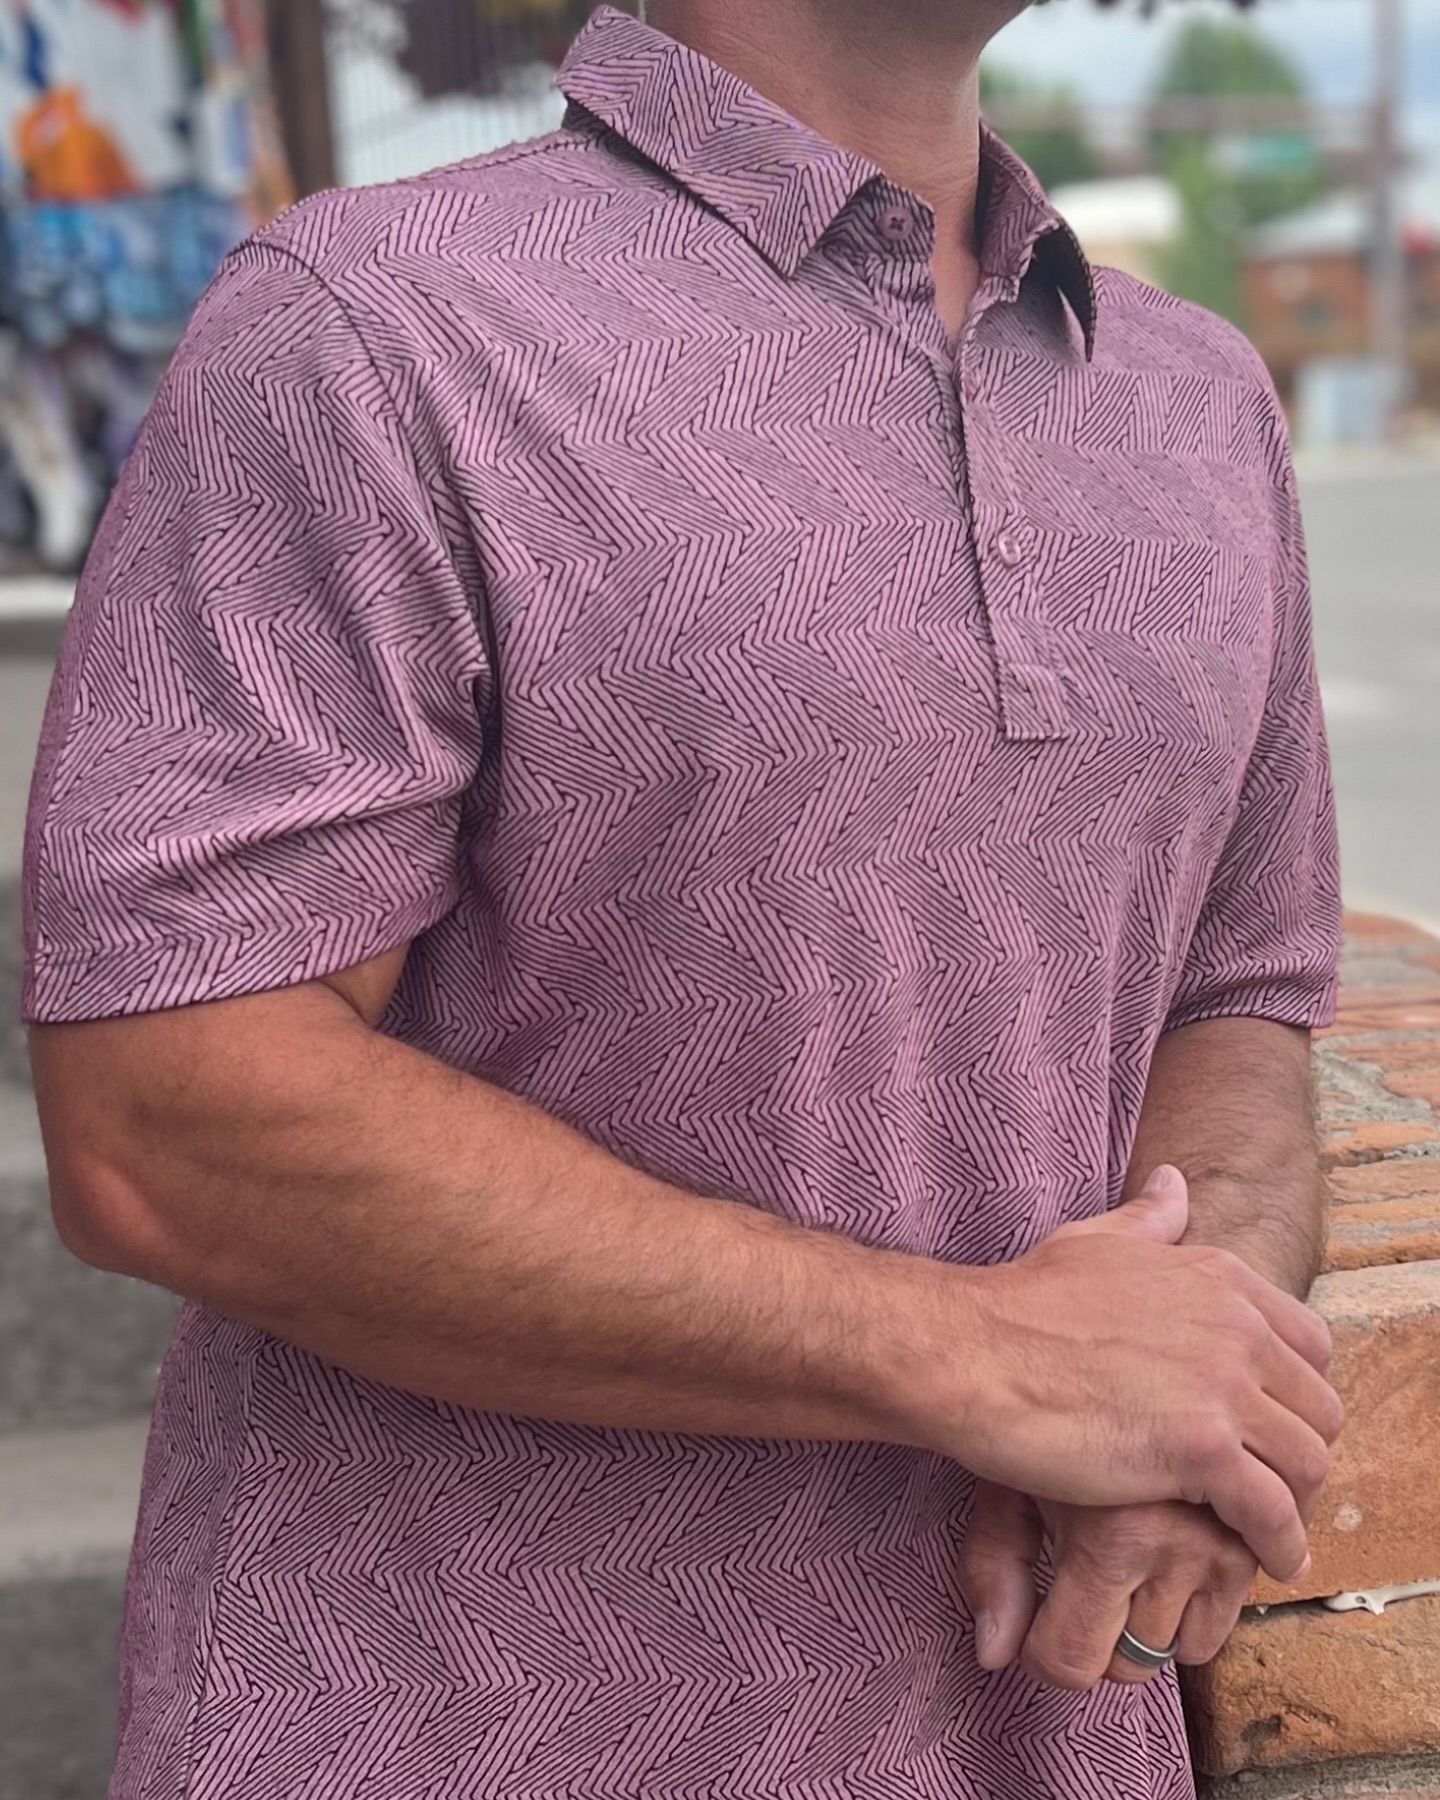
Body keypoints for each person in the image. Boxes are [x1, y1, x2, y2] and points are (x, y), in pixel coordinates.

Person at [23, 3, 1344, 1796]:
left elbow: (1240, 992)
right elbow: (165, 1116)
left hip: (1033, 1723)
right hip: (456, 1720)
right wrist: (958, 1348)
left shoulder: (1194, 403)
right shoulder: (377, 323)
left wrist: (1206, 1391)